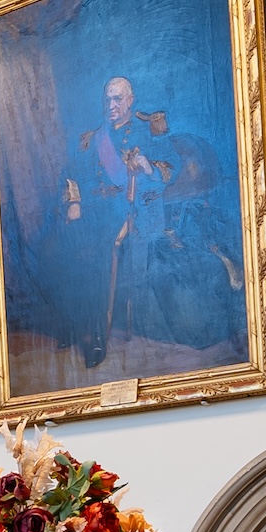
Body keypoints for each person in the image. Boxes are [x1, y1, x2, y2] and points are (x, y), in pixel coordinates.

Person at [58, 74, 244, 370]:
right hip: (92, 209)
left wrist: (148, 166)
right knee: (55, 245)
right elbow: (70, 172)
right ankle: (70, 322)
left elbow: (171, 164)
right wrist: (75, 202)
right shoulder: (92, 139)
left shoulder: (148, 129)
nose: (111, 105)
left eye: (117, 98)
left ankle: (94, 336)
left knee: (99, 249)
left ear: (130, 101)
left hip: (128, 209)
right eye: (107, 99)